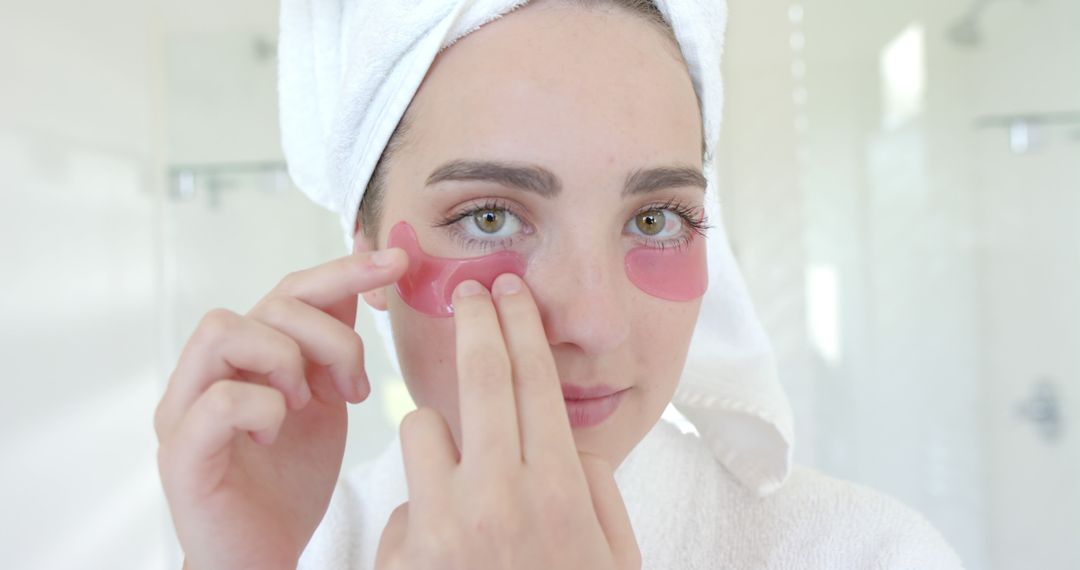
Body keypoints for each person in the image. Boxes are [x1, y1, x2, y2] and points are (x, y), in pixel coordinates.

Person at [154, 1, 966, 568]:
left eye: (655, 219)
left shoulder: (865, 554)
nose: (595, 321)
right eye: (491, 219)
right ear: (362, 243)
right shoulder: (297, 547)